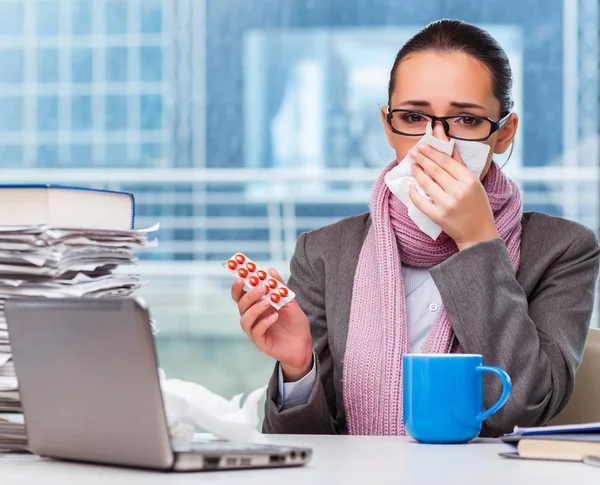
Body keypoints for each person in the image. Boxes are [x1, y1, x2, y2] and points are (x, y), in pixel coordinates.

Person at [231, 19, 600, 437]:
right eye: (412, 116)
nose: (436, 142)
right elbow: (312, 449)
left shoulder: (563, 249)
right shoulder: (323, 253)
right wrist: (298, 369)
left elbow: (523, 410)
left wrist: (477, 241)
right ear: (388, 126)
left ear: (503, 133)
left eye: (465, 120)